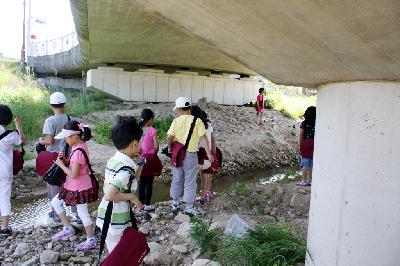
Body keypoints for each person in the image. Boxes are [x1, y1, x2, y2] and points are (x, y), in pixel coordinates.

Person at [96, 116, 143, 252]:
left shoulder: (115, 160)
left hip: (107, 213)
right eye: (139, 143)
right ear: (134, 143)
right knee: (118, 253)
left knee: (116, 250)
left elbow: (132, 180)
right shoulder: (124, 169)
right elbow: (110, 195)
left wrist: (140, 164)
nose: (139, 146)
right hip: (115, 215)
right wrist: (132, 197)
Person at [51, 121, 97, 251]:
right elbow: (75, 165)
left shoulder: (77, 151)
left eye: (66, 136)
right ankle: (67, 227)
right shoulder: (79, 146)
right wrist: (66, 160)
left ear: (75, 136)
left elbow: (73, 174)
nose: (65, 139)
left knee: (83, 213)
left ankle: (91, 240)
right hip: (72, 185)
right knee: (56, 202)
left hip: (79, 187)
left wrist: (60, 164)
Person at [167, 97, 213, 217]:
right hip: (191, 155)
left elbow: (169, 137)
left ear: (178, 109)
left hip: (178, 154)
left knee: (177, 178)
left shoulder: (176, 121)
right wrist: (208, 153)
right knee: (190, 181)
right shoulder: (197, 121)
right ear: (190, 108)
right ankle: (189, 207)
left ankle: (175, 204)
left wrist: (170, 147)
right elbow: (204, 138)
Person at [39, 92, 79, 223]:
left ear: (51, 106)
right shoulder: (70, 119)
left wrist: (41, 141)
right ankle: (77, 215)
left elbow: (49, 141)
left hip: (53, 158)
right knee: (70, 185)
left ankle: (56, 215)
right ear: (65, 104)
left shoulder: (50, 120)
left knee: (52, 185)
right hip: (67, 156)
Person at [0, 105, 25, 236]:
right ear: (9, 119)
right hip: (4, 171)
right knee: (4, 198)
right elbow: (22, 141)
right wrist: (18, 126)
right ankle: (4, 228)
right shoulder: (11, 134)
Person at [191, 106, 216, 202]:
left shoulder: (196, 125)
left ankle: (202, 195)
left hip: (200, 153)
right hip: (208, 152)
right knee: (207, 173)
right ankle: (207, 192)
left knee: (198, 175)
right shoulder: (208, 124)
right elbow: (213, 140)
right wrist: (213, 152)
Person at [138, 109, 159, 212]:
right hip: (150, 158)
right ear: (150, 119)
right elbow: (156, 147)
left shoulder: (138, 130)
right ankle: (147, 204)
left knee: (141, 181)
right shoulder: (152, 130)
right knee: (149, 182)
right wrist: (154, 152)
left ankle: (140, 204)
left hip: (140, 159)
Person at [297, 106, 316, 186]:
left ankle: (304, 181)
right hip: (314, 144)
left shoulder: (304, 123)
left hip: (306, 144)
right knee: (311, 164)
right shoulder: (316, 123)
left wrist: (300, 145)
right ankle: (311, 181)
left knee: (305, 164)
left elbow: (301, 135)